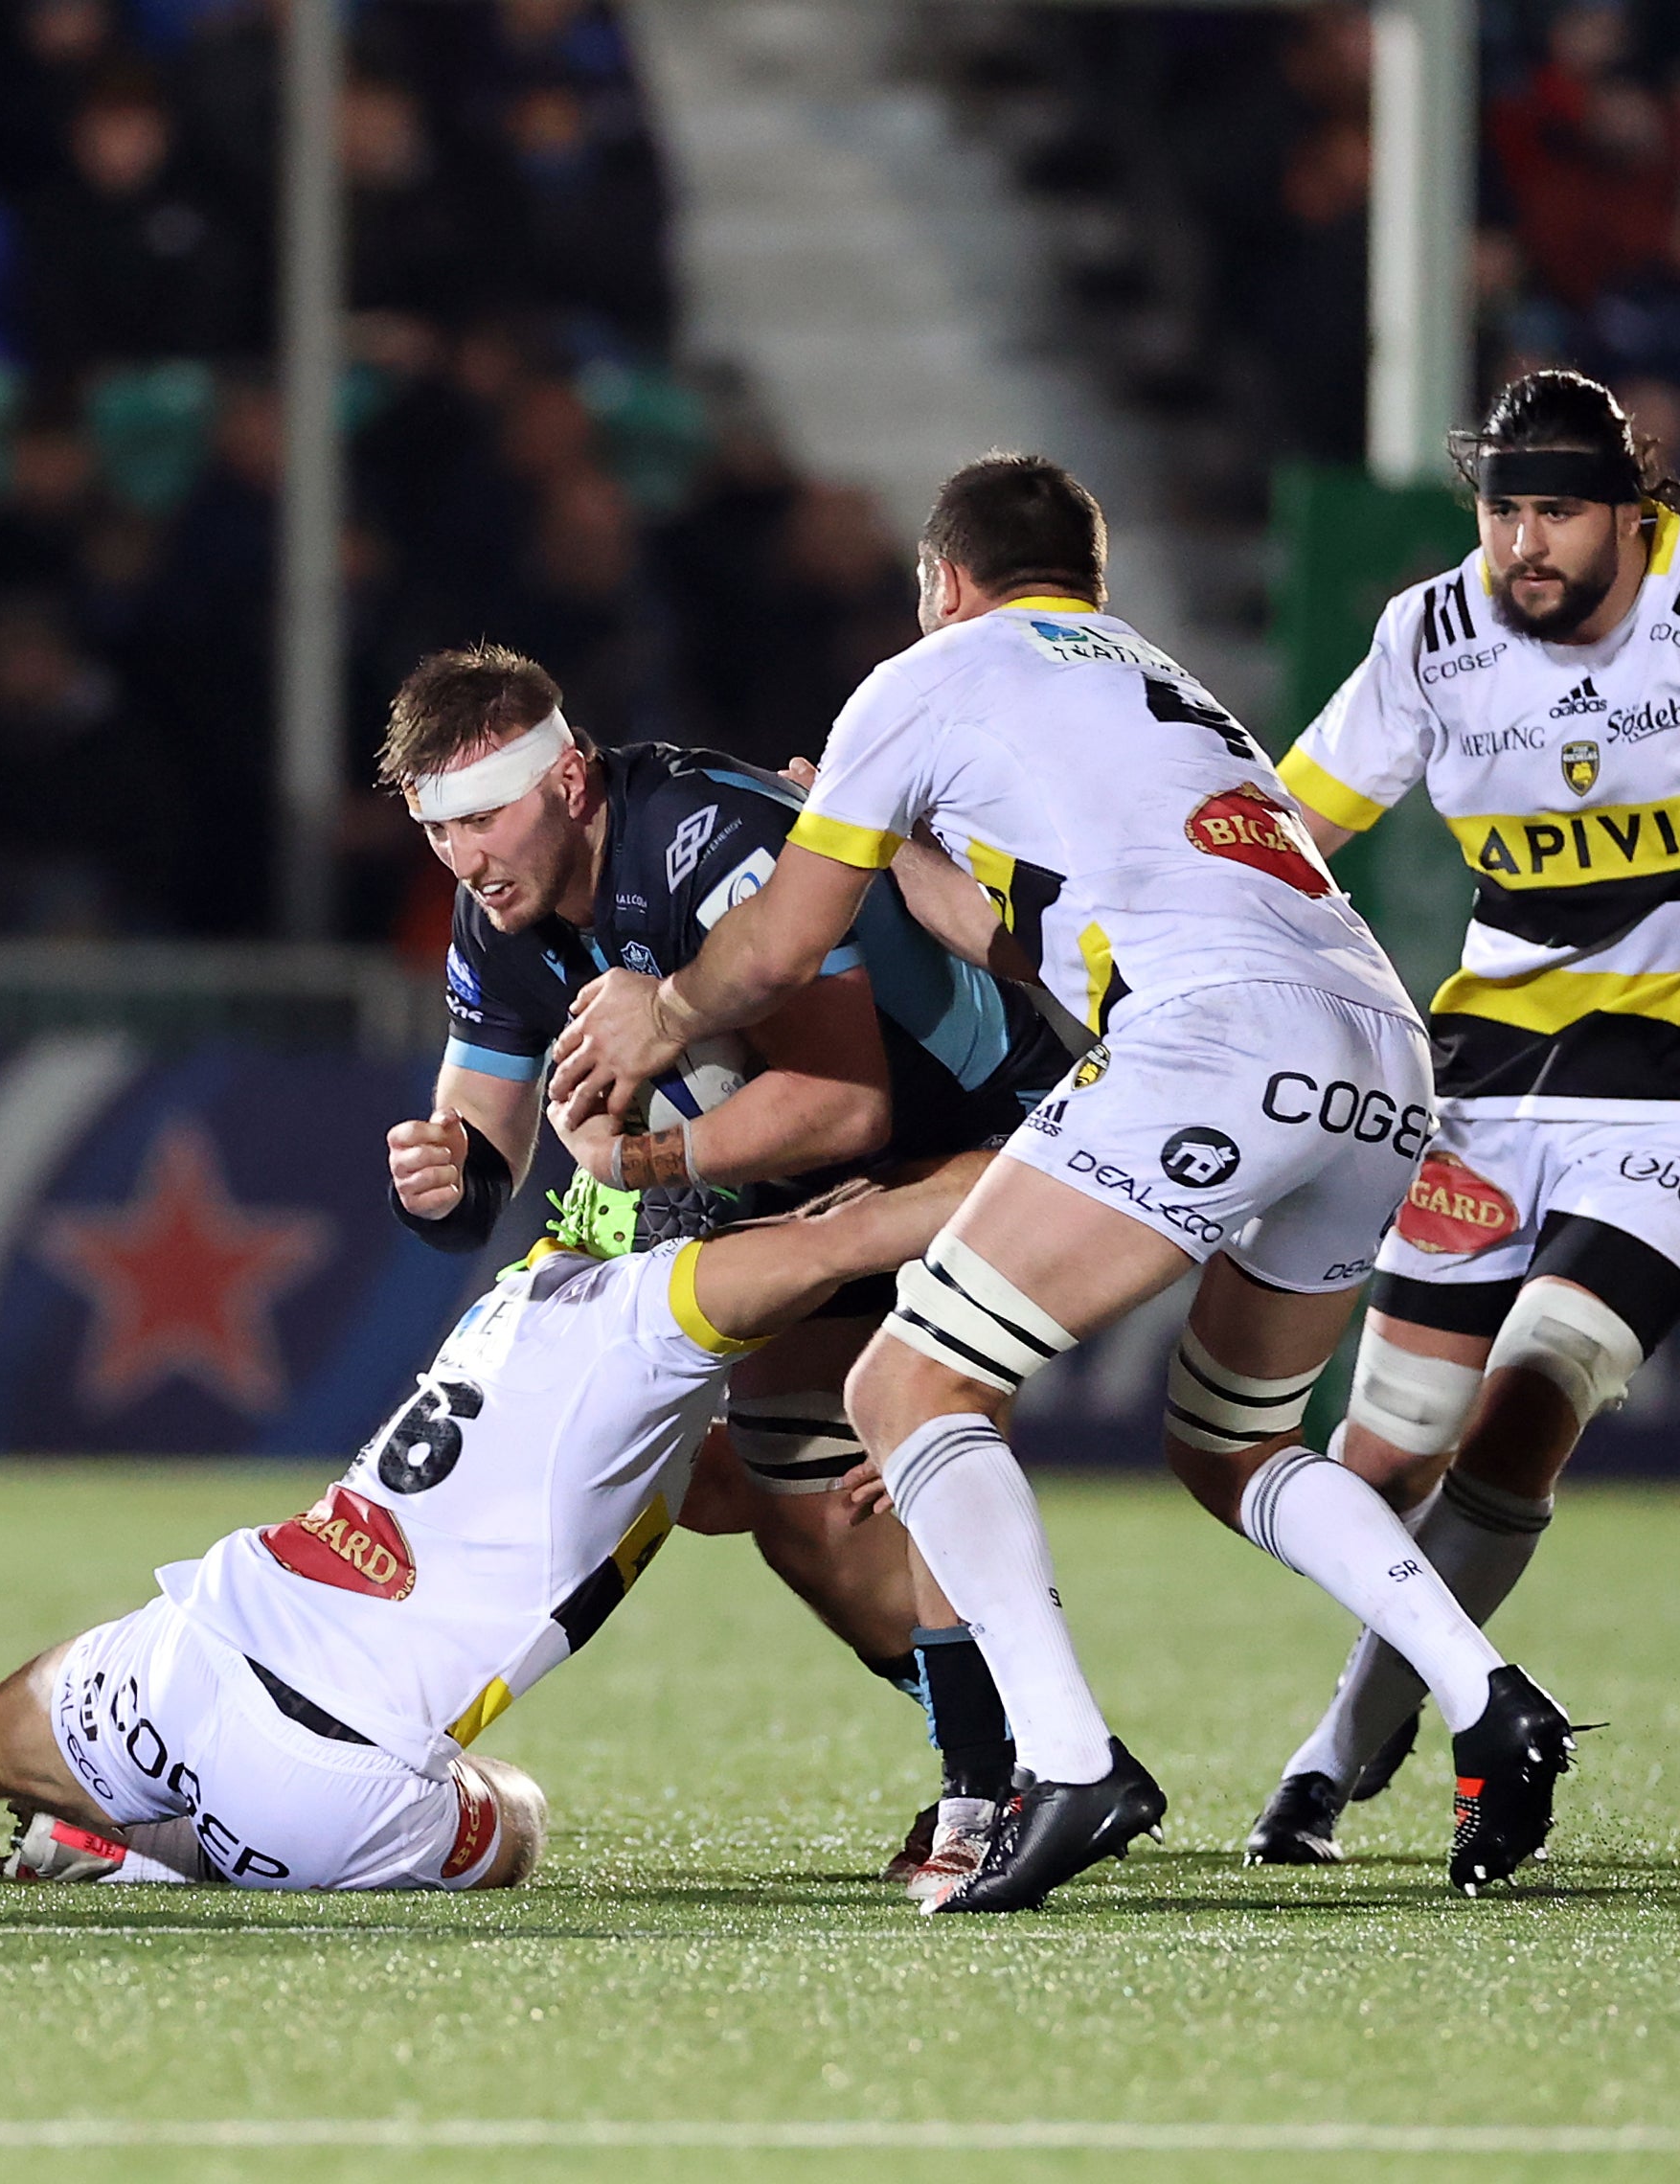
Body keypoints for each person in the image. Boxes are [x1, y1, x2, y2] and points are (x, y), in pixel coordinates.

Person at [552, 453, 1578, 1912]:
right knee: (1234, 1444)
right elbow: (1038, 946)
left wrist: (662, 1012)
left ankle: (1069, 1762)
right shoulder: (1156, 686)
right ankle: (1487, 1700)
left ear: (941, 584)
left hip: (1209, 1036)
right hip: (1373, 1047)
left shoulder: (921, 678)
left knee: (904, 1392)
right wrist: (908, 849)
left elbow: (777, 946)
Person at [0, 1156, 996, 1891]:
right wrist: (1084, 1141)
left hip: (192, 1648)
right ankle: (153, 1845)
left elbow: (704, 1490)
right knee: (521, 1819)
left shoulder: (534, 1286)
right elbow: (864, 1235)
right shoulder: (677, 1311)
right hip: (331, 1785)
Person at [1247, 370, 1680, 1863]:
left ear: (1632, 515)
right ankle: (1453, 1706)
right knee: (1375, 1463)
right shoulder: (1430, 634)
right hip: (1493, 1066)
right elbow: (1295, 828)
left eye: (1556, 513)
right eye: (1503, 512)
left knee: (1530, 1392)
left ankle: (1330, 1759)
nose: (1524, 547)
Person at [377, 641, 1067, 1899]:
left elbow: (844, 1103)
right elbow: (482, 1142)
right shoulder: (497, 921)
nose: (467, 859)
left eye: (486, 817)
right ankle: (1036, 1739)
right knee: (768, 1513)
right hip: (793, 1186)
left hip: (983, 1150)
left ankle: (994, 1782)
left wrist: (649, 1165)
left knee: (909, 1441)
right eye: (438, 831)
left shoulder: (702, 839)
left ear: (570, 781)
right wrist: (445, 1182)